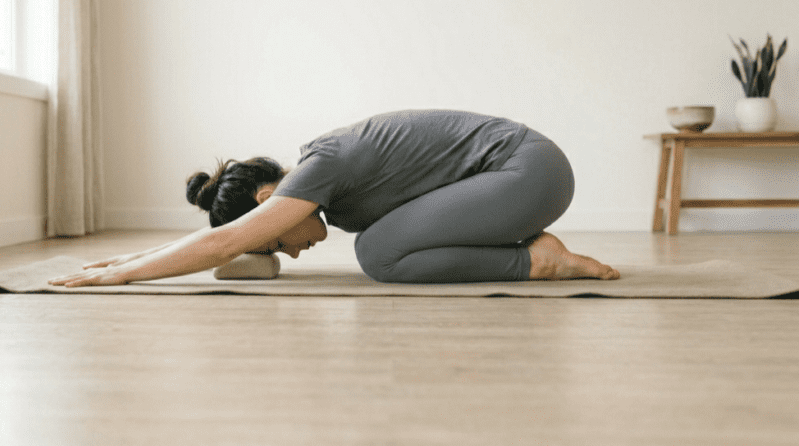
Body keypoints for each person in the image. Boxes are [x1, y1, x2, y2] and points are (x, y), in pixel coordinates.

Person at [50, 109, 619, 287]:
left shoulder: (322, 167)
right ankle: (531, 247)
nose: (289, 252)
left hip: (529, 169)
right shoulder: (330, 185)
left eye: (273, 236)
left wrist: (118, 277)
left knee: (379, 254)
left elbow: (224, 242)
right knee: (381, 244)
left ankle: (537, 261)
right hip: (519, 177)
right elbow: (223, 238)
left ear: (270, 196)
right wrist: (126, 256)